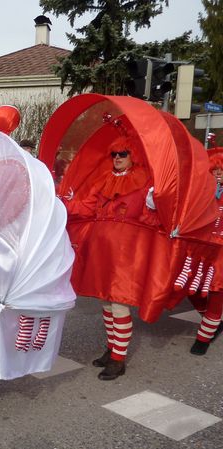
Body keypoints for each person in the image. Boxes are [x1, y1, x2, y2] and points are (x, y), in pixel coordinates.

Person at [63, 137, 158, 380]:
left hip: (125, 249)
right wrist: (62, 203)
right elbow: (86, 207)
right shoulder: (104, 178)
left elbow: (151, 220)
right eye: (114, 154)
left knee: (118, 301)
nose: (117, 158)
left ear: (133, 155)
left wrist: (153, 205)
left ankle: (118, 358)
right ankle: (112, 347)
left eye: (123, 153)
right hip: (101, 246)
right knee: (105, 301)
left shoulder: (145, 181)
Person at [189, 152, 223, 355]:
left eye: (221, 170)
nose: (217, 173)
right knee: (191, 288)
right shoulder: (202, 194)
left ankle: (203, 338)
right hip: (202, 248)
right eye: (214, 170)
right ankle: (210, 321)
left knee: (218, 293)